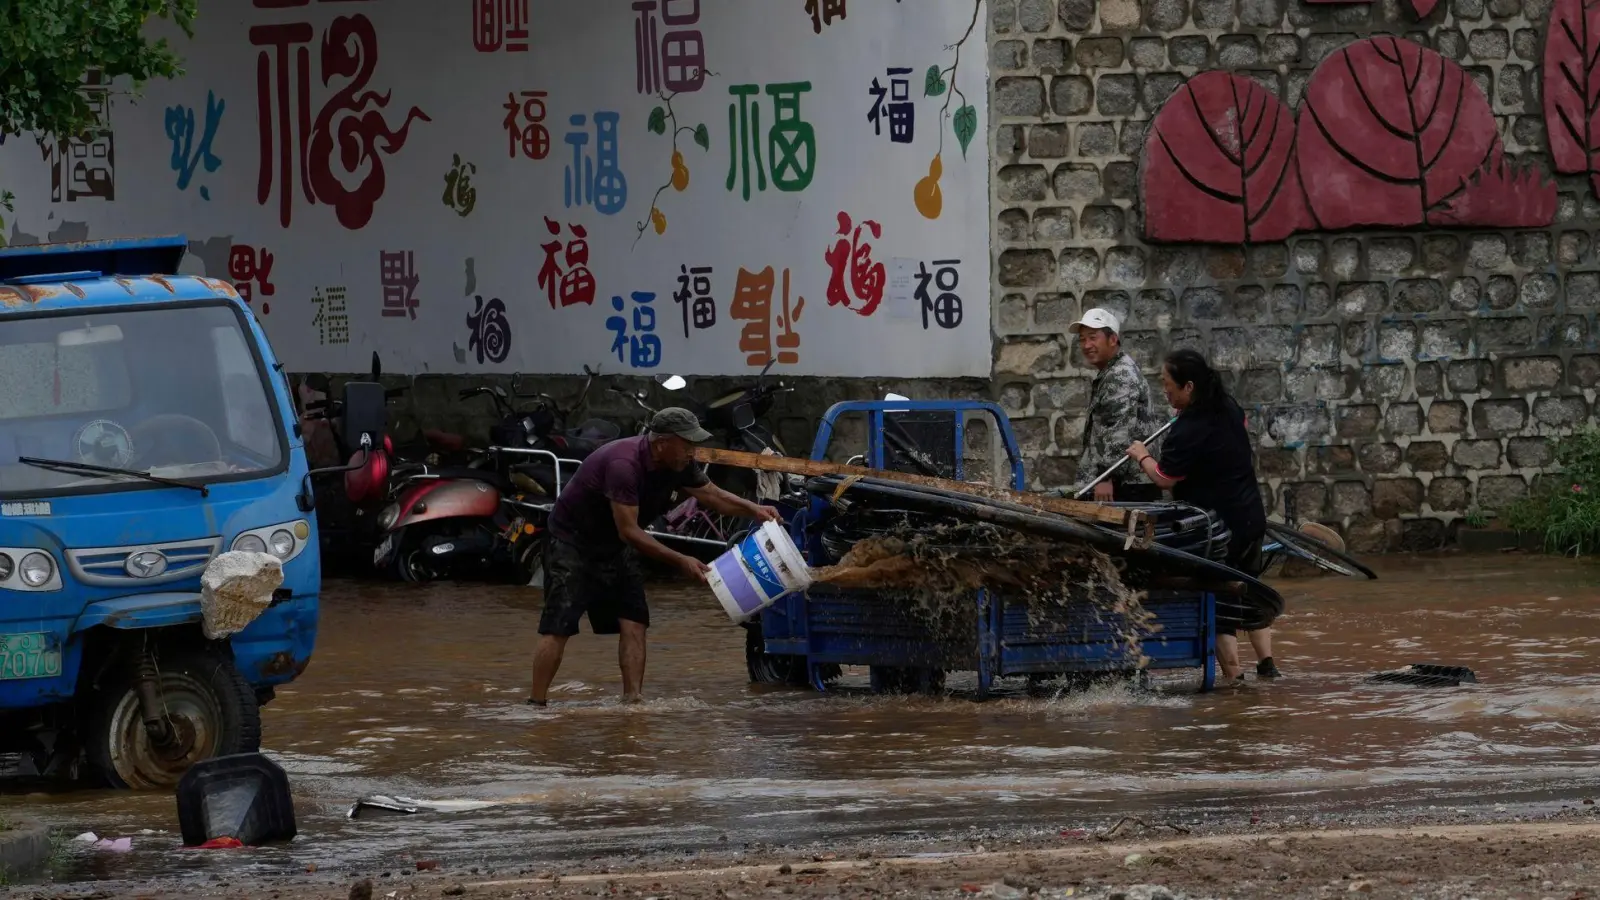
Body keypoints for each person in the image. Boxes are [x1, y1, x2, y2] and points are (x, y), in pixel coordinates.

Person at [528, 407, 781, 706]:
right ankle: (536, 705)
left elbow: (712, 495)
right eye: (687, 444)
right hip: (572, 542)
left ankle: (633, 703)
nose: (693, 451)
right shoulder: (624, 465)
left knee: (635, 620)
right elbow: (629, 532)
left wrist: (755, 510)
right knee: (559, 626)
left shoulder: (679, 462)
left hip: (614, 545)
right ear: (662, 443)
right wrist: (681, 559)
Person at [1125, 349, 1280, 681]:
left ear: (1189, 386)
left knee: (1218, 601)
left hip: (1218, 529)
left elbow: (1165, 478)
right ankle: (1267, 665)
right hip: (1250, 516)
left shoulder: (1189, 429)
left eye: (1168, 385)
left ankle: (1234, 682)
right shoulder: (1229, 407)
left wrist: (1141, 455)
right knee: (1249, 588)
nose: (1164, 391)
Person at [1069, 308, 1162, 502]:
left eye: (1093, 338)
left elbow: (1119, 430)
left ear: (1113, 339)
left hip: (1126, 484)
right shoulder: (1112, 371)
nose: (1086, 345)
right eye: (1082, 339)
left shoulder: (1120, 375)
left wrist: (1105, 476)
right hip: (1123, 481)